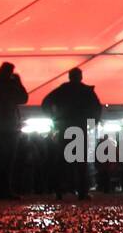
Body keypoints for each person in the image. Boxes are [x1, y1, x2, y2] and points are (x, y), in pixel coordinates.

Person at [40, 68, 102, 200]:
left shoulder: (62, 90)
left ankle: (59, 190)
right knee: (80, 162)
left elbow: (45, 102)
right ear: (80, 77)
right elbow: (97, 108)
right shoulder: (86, 91)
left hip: (65, 127)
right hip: (79, 127)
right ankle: (82, 192)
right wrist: (92, 123)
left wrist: (54, 117)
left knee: (62, 160)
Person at [0, 62, 28, 199]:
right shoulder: (11, 86)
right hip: (9, 127)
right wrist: (18, 82)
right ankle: (5, 189)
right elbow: (23, 98)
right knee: (8, 160)